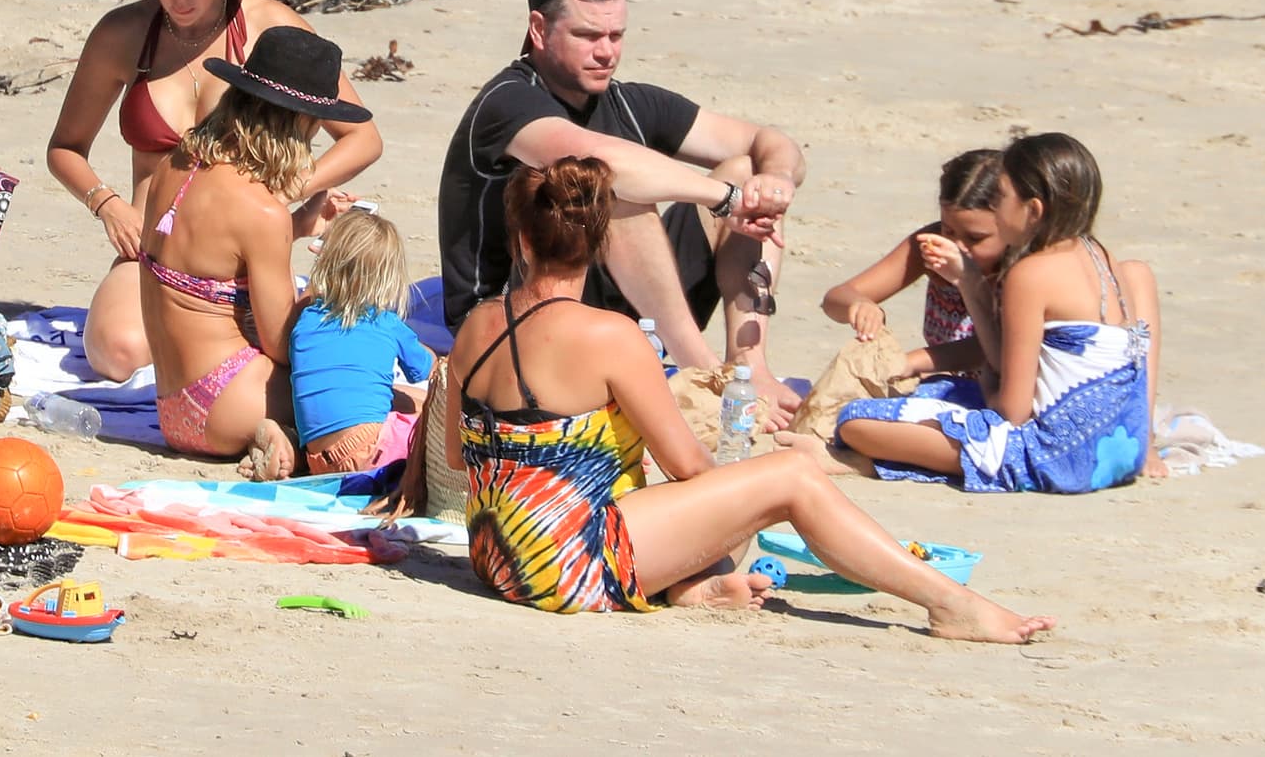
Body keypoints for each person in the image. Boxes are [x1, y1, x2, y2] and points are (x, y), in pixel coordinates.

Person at [444, 155, 1055, 642]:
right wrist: (731, 497)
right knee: (787, 477)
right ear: (601, 240)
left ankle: (689, 587)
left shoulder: (477, 324)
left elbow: (455, 455)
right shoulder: (610, 335)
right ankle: (951, 604)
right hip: (570, 564)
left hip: (498, 557)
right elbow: (688, 467)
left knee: (724, 492)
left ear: (521, 240)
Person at [437, 0, 806, 430]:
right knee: (609, 188)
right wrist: (726, 200)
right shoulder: (508, 103)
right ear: (539, 29)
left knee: (744, 169)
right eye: (587, 35)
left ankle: (748, 368)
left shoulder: (630, 102)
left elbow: (769, 142)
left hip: (621, 312)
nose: (606, 52)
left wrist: (772, 182)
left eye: (616, 36)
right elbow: (601, 160)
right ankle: (704, 375)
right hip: (513, 321)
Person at [47, 0, 382, 383]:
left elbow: (363, 136)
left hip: (242, 249)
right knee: (118, 352)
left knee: (283, 359)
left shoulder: (273, 30)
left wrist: (289, 191)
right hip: (153, 247)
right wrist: (106, 203)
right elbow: (65, 147)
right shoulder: (122, 35)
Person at [829, 132, 1167, 489]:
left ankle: (880, 461)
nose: (996, 206)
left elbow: (1012, 413)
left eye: (1000, 198)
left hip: (1058, 460)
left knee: (855, 421)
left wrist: (988, 386)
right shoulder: (1099, 254)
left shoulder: (1028, 274)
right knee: (930, 397)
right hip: (1121, 452)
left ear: (1032, 210)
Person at [139, 25, 372, 472]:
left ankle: (275, 437)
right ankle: (273, 432)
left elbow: (213, 255)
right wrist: (328, 285)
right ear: (300, 123)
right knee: (370, 391)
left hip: (172, 409)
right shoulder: (262, 212)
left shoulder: (175, 164)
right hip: (233, 399)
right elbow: (283, 344)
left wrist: (298, 226)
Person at [257, 209, 435, 480]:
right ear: (388, 278)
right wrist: (434, 357)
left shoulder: (305, 319)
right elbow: (424, 370)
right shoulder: (385, 322)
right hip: (368, 450)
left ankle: (289, 446)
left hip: (318, 459)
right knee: (427, 410)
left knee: (394, 394)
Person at [821, 149, 1004, 359]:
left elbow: (1000, 350)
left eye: (975, 238)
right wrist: (859, 304)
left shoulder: (1022, 270)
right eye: (949, 231)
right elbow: (834, 299)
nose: (957, 246)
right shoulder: (931, 245)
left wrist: (914, 362)